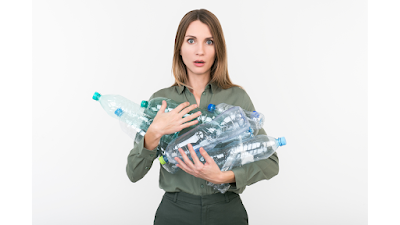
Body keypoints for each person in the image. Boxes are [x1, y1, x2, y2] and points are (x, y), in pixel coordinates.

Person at [126, 9, 279, 225]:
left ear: (218, 49)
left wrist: (223, 177)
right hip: (175, 213)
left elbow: (271, 163)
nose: (200, 51)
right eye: (191, 41)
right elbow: (133, 173)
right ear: (179, 48)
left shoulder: (236, 97)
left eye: (209, 42)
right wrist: (153, 134)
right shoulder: (160, 102)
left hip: (226, 212)